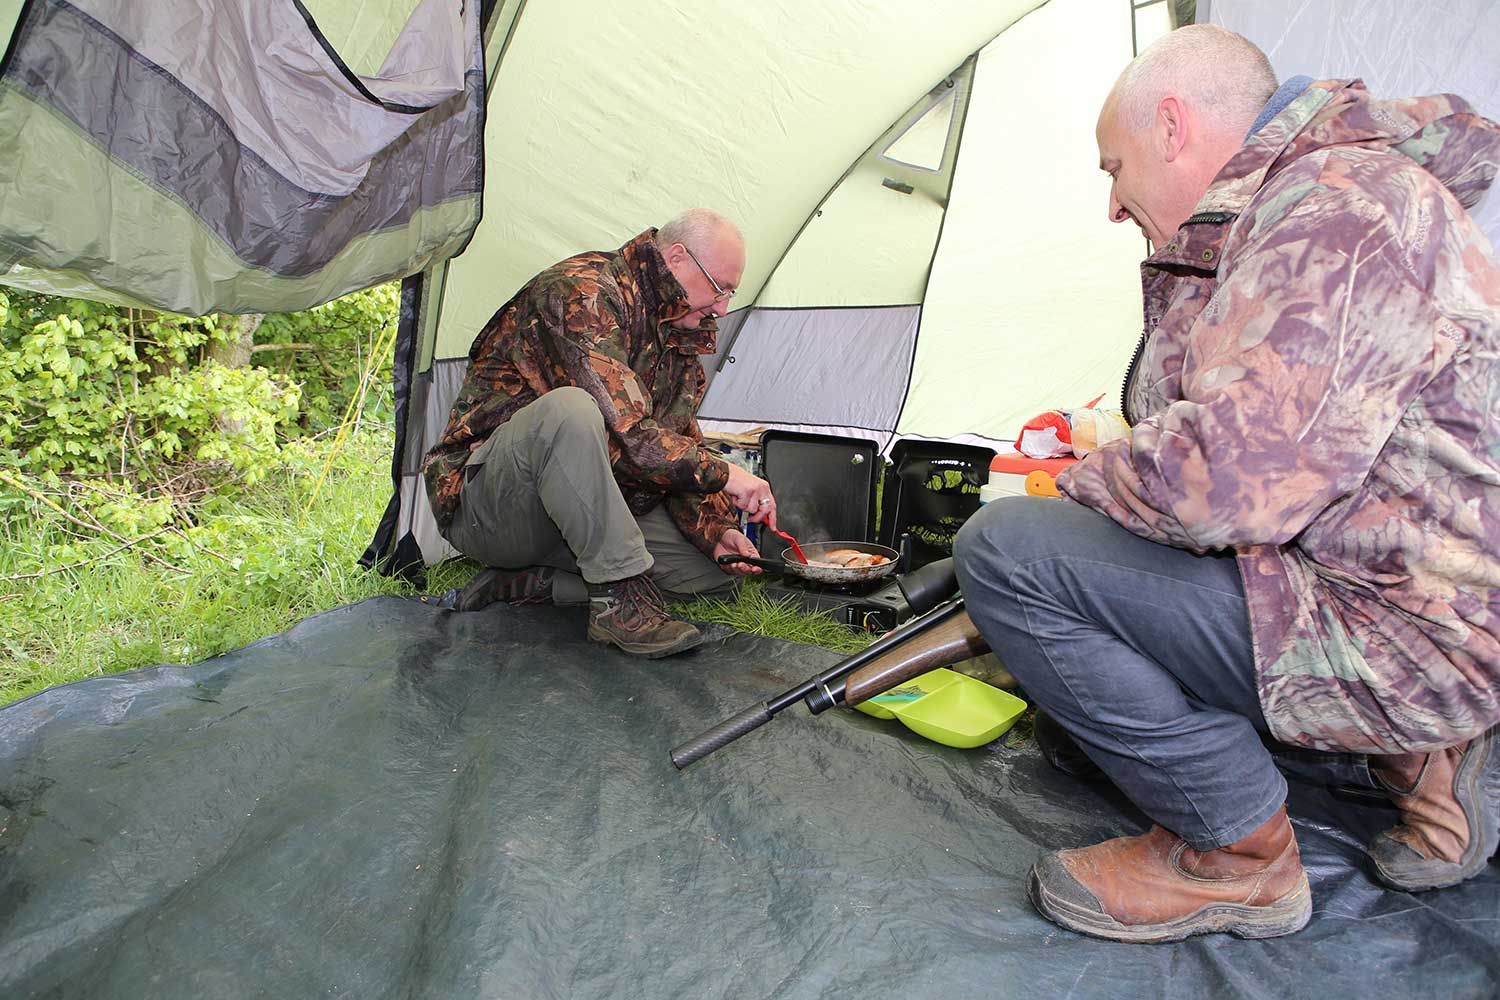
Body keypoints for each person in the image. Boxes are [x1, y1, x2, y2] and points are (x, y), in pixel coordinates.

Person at [953, 24, 1500, 943]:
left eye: (1113, 168)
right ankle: (1414, 758)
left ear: (1172, 127)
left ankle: (1240, 856)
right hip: (1401, 585)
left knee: (1008, 555)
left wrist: (1072, 488)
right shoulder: (1311, 200)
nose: (1115, 206)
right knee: (1074, 728)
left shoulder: (1336, 211)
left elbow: (1230, 485)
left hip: (1401, 626)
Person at [422, 209, 777, 658]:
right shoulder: (581, 292)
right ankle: (618, 603)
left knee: (710, 574)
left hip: (583, 505)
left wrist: (715, 529)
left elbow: (676, 441)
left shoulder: (680, 327)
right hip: (493, 503)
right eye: (720, 288)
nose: (723, 307)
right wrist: (726, 473)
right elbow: (628, 434)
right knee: (571, 412)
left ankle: (544, 582)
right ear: (678, 258)